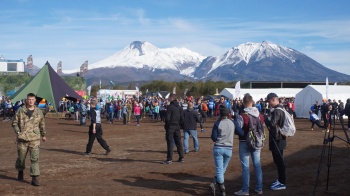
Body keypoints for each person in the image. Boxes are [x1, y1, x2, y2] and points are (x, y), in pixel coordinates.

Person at [12, 93, 46, 186]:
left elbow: (42, 124)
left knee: (34, 159)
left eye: (32, 99)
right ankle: (20, 171)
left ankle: (34, 178)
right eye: (29, 99)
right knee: (21, 158)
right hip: (22, 139)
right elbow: (14, 123)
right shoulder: (20, 110)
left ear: (35, 100)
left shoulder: (39, 112)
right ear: (26, 100)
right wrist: (18, 132)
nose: (30, 101)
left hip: (34, 139)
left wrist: (43, 135)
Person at [234, 94, 264, 195]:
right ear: (252, 102)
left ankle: (245, 190)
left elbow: (237, 130)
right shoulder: (260, 115)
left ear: (243, 103)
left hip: (244, 142)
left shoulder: (242, 116)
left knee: (245, 167)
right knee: (257, 165)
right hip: (257, 142)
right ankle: (259, 188)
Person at [209, 104, 235, 196]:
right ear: (228, 114)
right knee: (222, 169)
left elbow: (214, 137)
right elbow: (240, 132)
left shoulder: (217, 123)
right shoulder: (233, 122)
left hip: (219, 148)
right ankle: (217, 185)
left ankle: (221, 189)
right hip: (229, 148)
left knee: (220, 170)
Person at [264, 93, 287, 190]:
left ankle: (282, 182)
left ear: (273, 99)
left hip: (278, 138)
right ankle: (280, 180)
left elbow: (272, 123)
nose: (268, 104)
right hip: (280, 138)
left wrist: (266, 119)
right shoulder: (281, 108)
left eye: (269, 101)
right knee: (278, 160)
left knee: (279, 160)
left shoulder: (277, 110)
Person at [162, 94, 184, 164]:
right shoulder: (179, 107)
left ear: (171, 98)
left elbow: (167, 118)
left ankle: (169, 159)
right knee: (178, 142)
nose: (168, 99)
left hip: (171, 126)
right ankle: (181, 157)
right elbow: (182, 118)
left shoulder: (170, 107)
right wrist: (181, 126)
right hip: (177, 126)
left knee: (170, 142)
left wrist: (166, 126)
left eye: (169, 98)